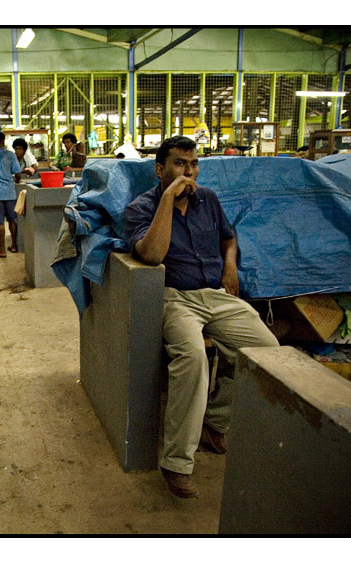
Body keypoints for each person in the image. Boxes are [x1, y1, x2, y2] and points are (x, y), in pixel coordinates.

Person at [124, 135, 279, 499]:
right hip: (174, 297)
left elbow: (228, 237)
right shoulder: (140, 207)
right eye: (180, 164)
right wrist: (167, 199)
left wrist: (229, 266)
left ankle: (217, 420)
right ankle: (177, 463)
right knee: (193, 358)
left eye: (193, 165)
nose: (189, 173)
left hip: (214, 292)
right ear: (160, 169)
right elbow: (151, 256)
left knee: (267, 352)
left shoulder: (208, 200)